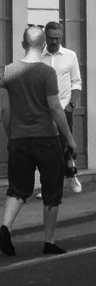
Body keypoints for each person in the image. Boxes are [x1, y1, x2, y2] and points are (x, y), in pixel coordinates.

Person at [0, 27, 78, 256]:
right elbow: (55, 107)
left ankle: (5, 227)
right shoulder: (46, 72)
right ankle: (49, 241)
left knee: (17, 189)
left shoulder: (9, 72)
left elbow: (5, 109)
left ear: (23, 44)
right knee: (52, 189)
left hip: (19, 139)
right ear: (43, 44)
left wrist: (11, 135)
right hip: (46, 138)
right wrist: (69, 139)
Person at [43, 21, 82, 156]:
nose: (54, 41)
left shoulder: (70, 55)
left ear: (62, 37)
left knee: (66, 147)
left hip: (64, 108)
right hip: (43, 110)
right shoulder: (38, 56)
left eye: (57, 38)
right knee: (46, 149)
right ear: (45, 37)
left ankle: (71, 175)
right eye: (51, 38)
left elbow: (76, 82)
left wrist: (71, 104)